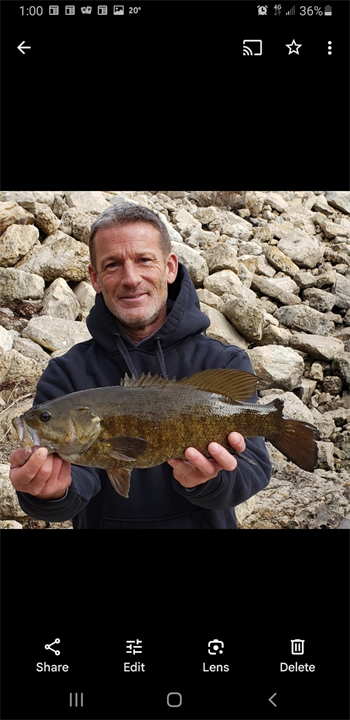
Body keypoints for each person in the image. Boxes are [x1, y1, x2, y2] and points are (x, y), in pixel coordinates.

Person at [9, 202, 271, 529]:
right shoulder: (66, 373)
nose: (131, 278)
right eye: (113, 265)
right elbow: (77, 483)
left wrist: (208, 481)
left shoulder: (223, 360)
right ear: (94, 277)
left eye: (144, 260)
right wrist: (49, 494)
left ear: (170, 267)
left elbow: (255, 470)